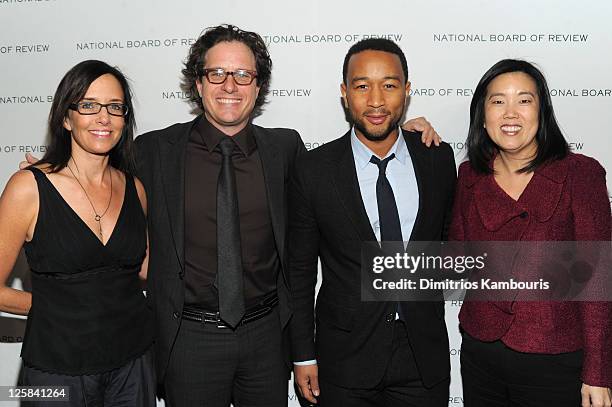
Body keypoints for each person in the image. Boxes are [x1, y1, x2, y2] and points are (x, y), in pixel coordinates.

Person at [132, 25, 440, 407]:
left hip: (266, 338)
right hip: (189, 339)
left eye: (243, 75)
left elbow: (300, 261)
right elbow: (96, 179)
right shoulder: (154, 151)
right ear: (198, 83)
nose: (230, 86)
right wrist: (51, 171)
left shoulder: (286, 149)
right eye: (217, 74)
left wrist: (408, 130)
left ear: (258, 86)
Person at [289, 38, 456, 406]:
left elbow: (448, 248)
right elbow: (299, 273)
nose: (377, 100)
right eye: (363, 85)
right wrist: (303, 354)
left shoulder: (437, 159)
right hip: (344, 359)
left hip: (422, 355)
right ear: (345, 93)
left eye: (390, 85)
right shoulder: (314, 170)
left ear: (407, 91)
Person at [450, 59, 612, 407]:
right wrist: (415, 145)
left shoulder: (580, 175)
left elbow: (598, 281)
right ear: (481, 113)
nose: (511, 113)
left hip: (554, 359)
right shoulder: (469, 176)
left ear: (542, 111)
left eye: (524, 100)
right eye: (497, 101)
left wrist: (598, 374)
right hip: (481, 354)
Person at [0, 60, 155, 406]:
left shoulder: (136, 189)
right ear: (66, 118)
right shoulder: (28, 188)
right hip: (56, 369)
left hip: (133, 364)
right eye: (88, 105)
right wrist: (54, 308)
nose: (104, 117)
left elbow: (147, 270)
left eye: (115, 107)